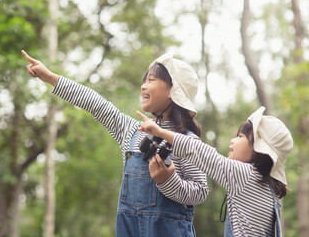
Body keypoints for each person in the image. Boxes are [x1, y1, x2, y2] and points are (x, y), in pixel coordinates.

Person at [22, 50, 209, 237]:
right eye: (144, 80)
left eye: (151, 80)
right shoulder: (132, 131)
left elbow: (200, 191)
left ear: (172, 91)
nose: (143, 86)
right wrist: (50, 77)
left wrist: (168, 181)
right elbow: (94, 103)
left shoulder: (186, 140)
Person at [137, 106, 293, 236]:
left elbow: (200, 152)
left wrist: (161, 132)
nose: (233, 140)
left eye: (240, 136)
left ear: (258, 149)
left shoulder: (246, 176)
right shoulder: (268, 189)